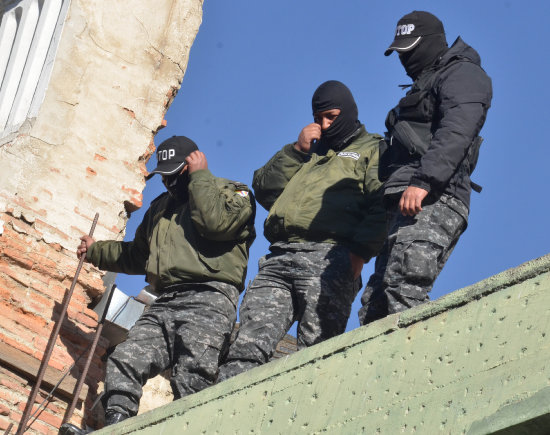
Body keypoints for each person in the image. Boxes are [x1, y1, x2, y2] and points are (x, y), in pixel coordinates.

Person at [60, 136, 255, 434]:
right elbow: (137, 256)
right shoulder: (160, 209)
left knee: (194, 374)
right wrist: (96, 251)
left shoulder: (232, 192)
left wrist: (200, 177)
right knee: (126, 358)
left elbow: (215, 223)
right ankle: (116, 427)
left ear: (192, 164)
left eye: (174, 173)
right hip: (165, 299)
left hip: (209, 296)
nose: (167, 182)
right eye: (163, 176)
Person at [217, 80, 386, 381]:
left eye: (331, 117)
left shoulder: (372, 150)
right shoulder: (310, 152)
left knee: (315, 355)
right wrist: (296, 151)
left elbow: (383, 203)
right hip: (279, 257)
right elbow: (265, 190)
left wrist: (358, 256)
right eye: (318, 117)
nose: (323, 124)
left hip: (329, 260)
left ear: (347, 112)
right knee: (246, 346)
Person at [358, 11, 492, 325]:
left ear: (429, 43)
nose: (405, 59)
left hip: (434, 195)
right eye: (400, 52)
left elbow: (457, 131)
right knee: (375, 307)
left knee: (404, 289)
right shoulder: (426, 83)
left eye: (410, 49)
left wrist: (423, 181)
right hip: (407, 201)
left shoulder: (462, 74)